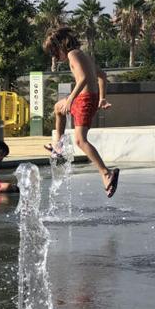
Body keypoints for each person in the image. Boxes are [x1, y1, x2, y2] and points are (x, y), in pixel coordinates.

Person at [43, 26, 119, 198]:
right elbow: (102, 75)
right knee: (58, 109)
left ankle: (106, 173)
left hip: (84, 100)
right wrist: (102, 98)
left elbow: (84, 78)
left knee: (80, 140)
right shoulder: (84, 55)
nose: (55, 57)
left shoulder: (73, 54)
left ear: (60, 45)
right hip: (88, 98)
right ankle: (59, 146)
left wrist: (70, 98)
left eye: (54, 52)